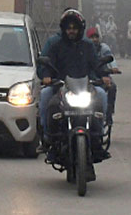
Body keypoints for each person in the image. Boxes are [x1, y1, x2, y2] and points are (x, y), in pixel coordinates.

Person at [38, 9, 113, 163]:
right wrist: (46, 76)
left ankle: (98, 137)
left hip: (85, 86)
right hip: (59, 85)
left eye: (75, 28)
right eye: (69, 28)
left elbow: (96, 64)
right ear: (64, 29)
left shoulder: (87, 45)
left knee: (102, 96)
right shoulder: (54, 44)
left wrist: (104, 75)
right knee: (46, 96)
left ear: (80, 29)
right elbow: (44, 63)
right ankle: (48, 139)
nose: (71, 31)